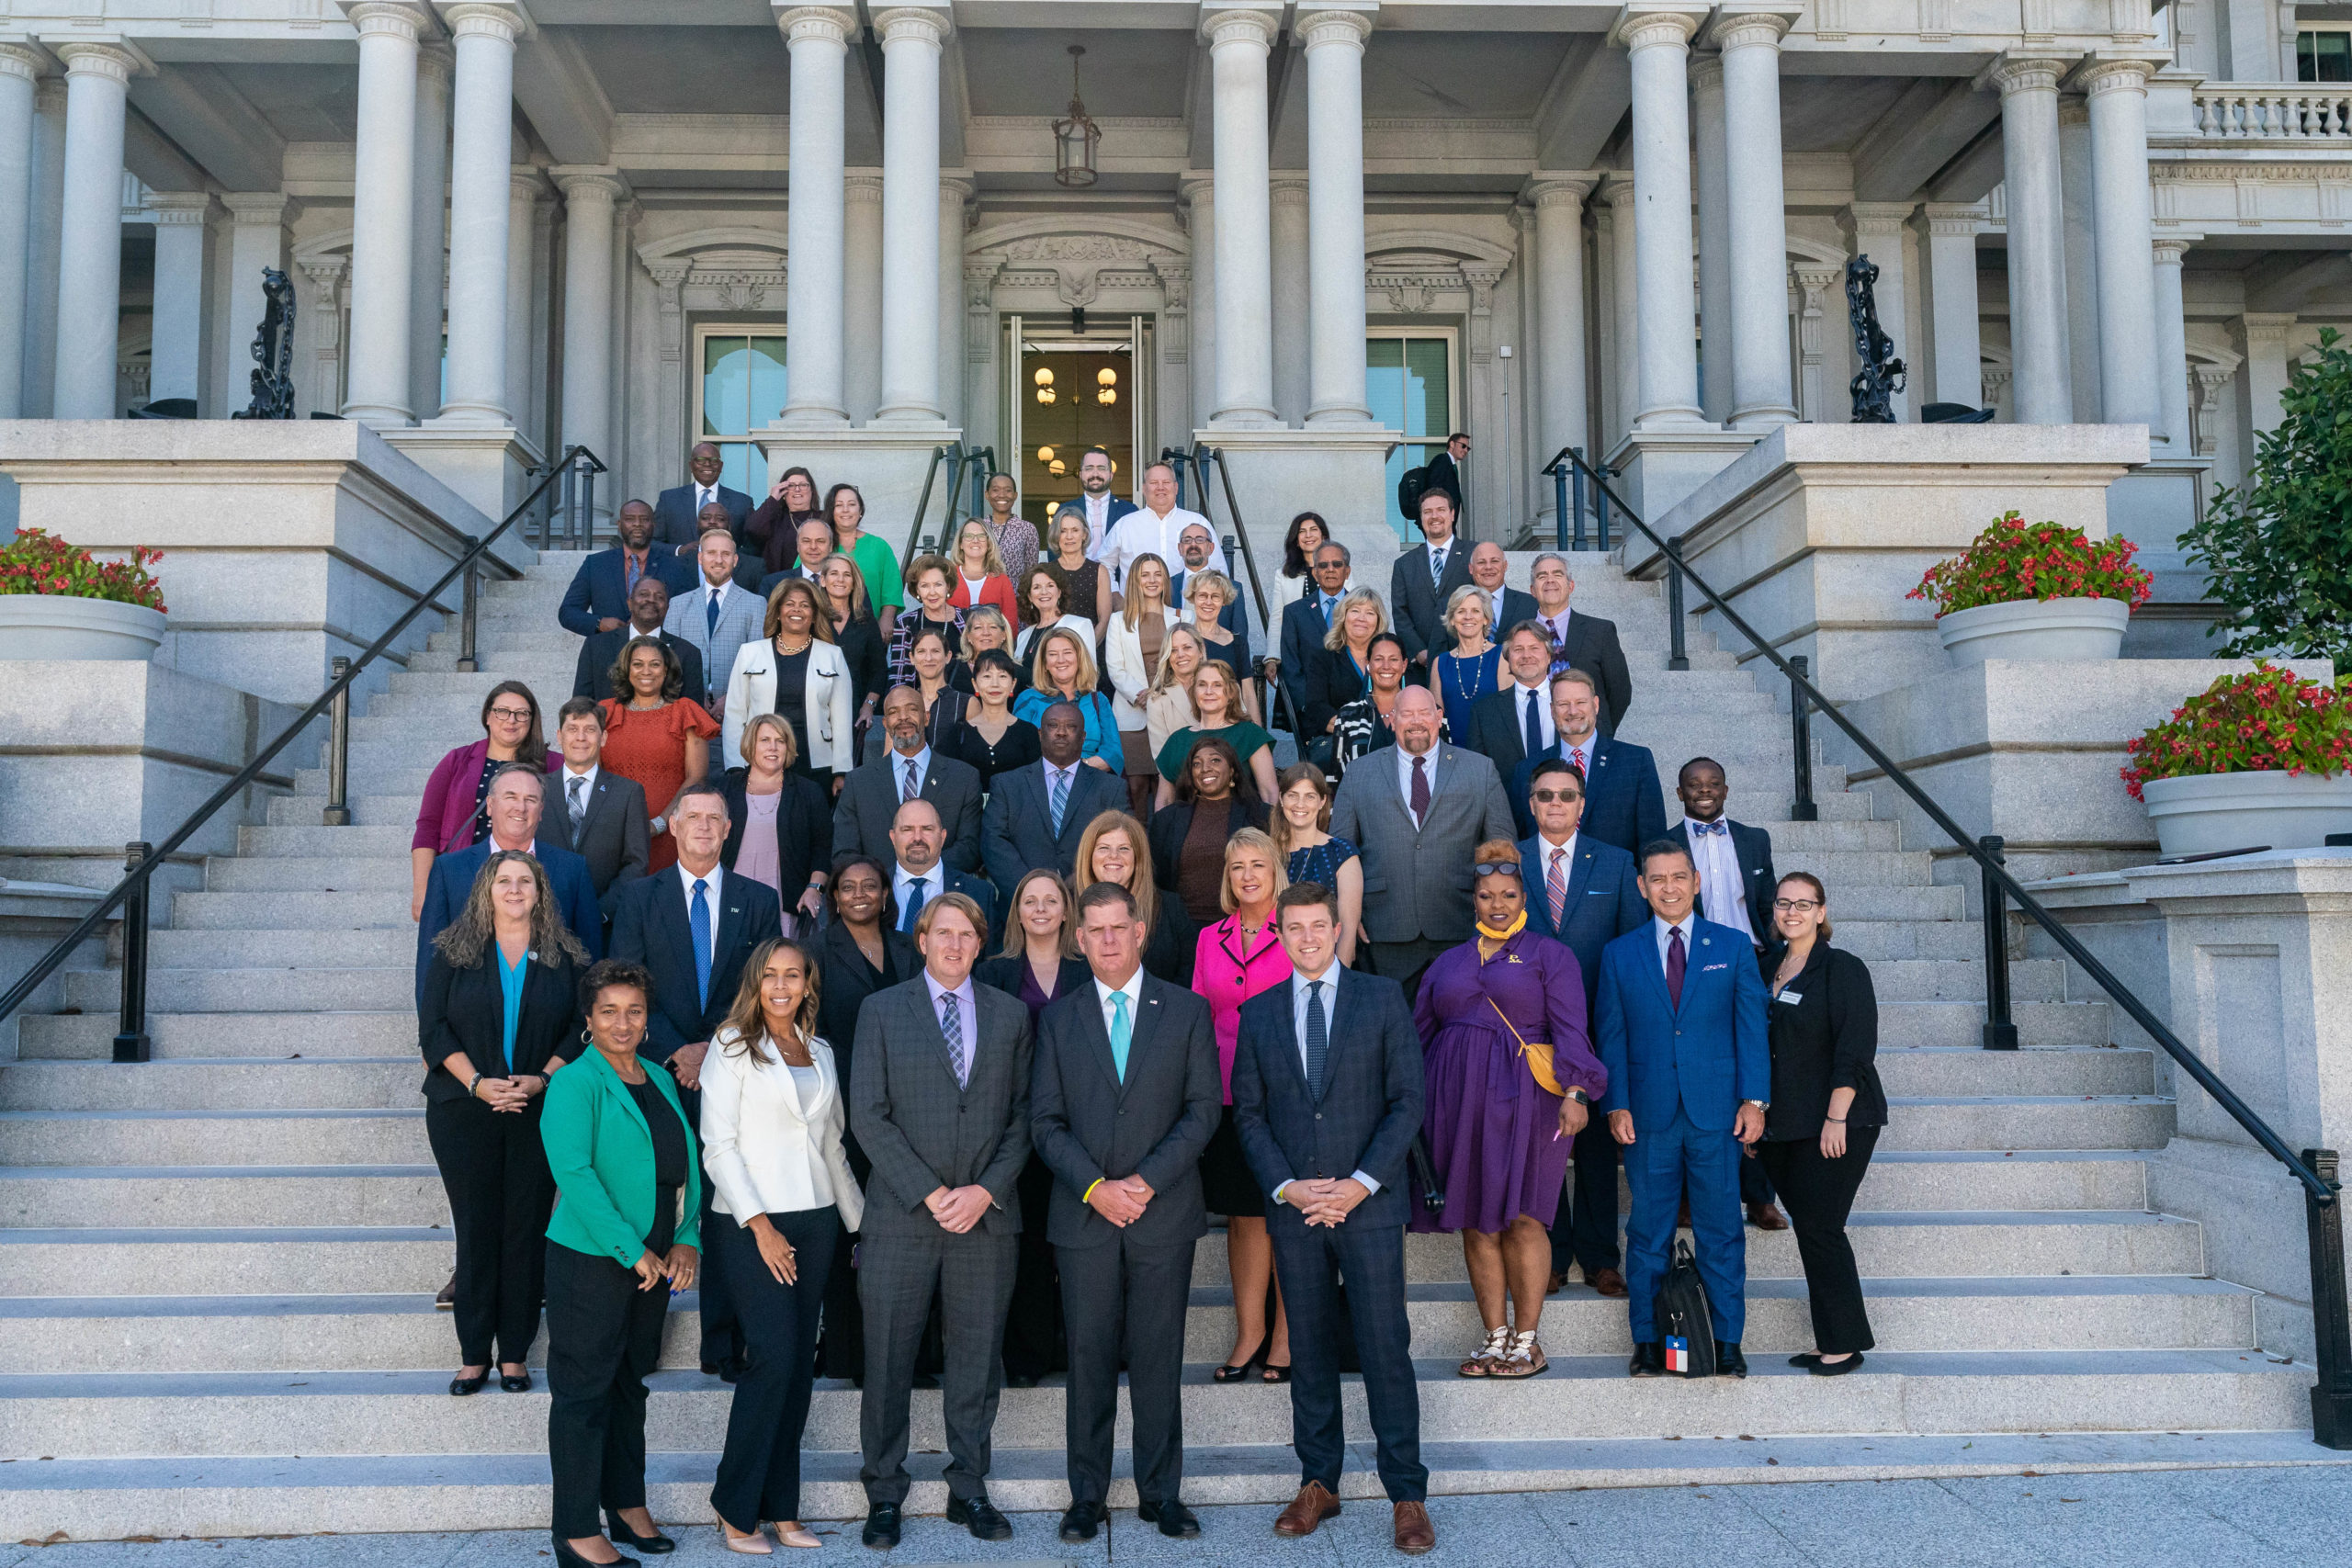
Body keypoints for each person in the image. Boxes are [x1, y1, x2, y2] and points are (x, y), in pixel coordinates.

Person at [1228, 883, 1433, 1555]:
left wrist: (1360, 1183)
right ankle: (1320, 1480)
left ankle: (1406, 1492)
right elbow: (1250, 1114)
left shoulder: (1380, 998)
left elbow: (1407, 1100)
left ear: (1337, 926)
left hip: (1367, 1206)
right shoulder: (1258, 1013)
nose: (1308, 937)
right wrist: (1288, 1187)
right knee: (1309, 1350)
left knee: (1383, 1348)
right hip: (1296, 1209)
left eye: (1319, 925)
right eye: (1295, 927)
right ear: (1278, 934)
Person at [1033, 880, 1222, 1542]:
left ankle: (1160, 1493)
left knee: (1158, 1355)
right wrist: (1095, 1187)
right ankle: (1086, 1495)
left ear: (1139, 930)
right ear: (1078, 939)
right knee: (1087, 1355)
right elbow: (1046, 1122)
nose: (1109, 940)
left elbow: (1202, 1111)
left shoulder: (1188, 1010)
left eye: (1120, 927)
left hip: (1162, 1212)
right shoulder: (1058, 1018)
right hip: (1084, 1216)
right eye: (1096, 930)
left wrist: (1143, 1181)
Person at [848, 892, 1034, 1550]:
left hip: (985, 1218)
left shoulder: (1011, 1016)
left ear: (981, 944)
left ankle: (970, 1486)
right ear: (921, 939)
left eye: (967, 935)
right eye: (942, 932)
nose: (954, 945)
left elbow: (1024, 1118)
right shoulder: (881, 1010)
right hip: (902, 1216)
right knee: (889, 1356)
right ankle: (884, 1491)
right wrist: (931, 1191)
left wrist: (984, 1190)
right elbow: (868, 1115)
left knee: (977, 1360)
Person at [607, 781, 786, 1376]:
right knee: (654, 1205)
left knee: (729, 1208)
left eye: (715, 818)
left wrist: (715, 1048)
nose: (705, 826)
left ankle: (724, 1345)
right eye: (694, 817)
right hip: (656, 1072)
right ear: (675, 826)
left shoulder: (757, 899)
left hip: (732, 1074)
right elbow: (626, 984)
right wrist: (678, 1050)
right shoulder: (639, 897)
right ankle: (641, 1341)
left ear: (729, 829)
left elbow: (765, 989)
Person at [1409, 841, 1604, 1379]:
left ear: (1525, 898)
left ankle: (1527, 1341)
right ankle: (1493, 1338)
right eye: (1487, 895)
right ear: (1473, 900)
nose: (1498, 903)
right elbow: (1418, 1038)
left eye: (1509, 894)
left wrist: (1578, 1092)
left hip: (1532, 1101)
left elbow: (1572, 1031)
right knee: (1475, 1219)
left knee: (1525, 1215)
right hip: (1455, 1103)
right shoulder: (1448, 962)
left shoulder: (1550, 955)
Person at [700, 937, 865, 1552]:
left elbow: (832, 1145)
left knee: (797, 1367)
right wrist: (761, 1225)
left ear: (805, 983)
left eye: (792, 974)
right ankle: (734, 1504)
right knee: (771, 1354)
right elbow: (717, 1146)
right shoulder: (730, 1045)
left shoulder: (819, 1049)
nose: (780, 984)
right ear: (755, 980)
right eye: (770, 974)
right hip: (749, 1223)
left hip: (817, 1218)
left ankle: (783, 1507)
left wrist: (860, 1224)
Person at [540, 958, 701, 1568]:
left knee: (630, 1382)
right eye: (609, 1010)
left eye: (634, 1010)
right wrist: (634, 1251)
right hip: (593, 1260)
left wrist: (687, 1238)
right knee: (583, 1393)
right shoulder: (574, 1083)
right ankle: (577, 1530)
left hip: (657, 1260)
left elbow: (688, 1165)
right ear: (588, 1018)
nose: (623, 1022)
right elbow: (574, 1175)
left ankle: (626, 1503)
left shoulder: (658, 1078)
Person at [1596, 839, 1770, 1380]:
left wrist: (1754, 1100)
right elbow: (1612, 1033)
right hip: (1648, 1115)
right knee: (1648, 1232)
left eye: (1679, 877)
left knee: (1722, 1230)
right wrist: (1615, 1104)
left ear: (1696, 882)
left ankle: (1726, 1341)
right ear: (1643, 887)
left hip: (1717, 1112)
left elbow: (1751, 1029)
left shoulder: (1735, 946)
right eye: (1657, 879)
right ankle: (1648, 1342)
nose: (1668, 888)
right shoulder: (1619, 953)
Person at [419, 851, 585, 1396]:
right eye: (504, 881)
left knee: (526, 1229)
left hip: (539, 1108)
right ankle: (473, 1355)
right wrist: (476, 1083)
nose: (514, 890)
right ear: (486, 890)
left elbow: (579, 1032)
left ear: (541, 892)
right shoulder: (452, 950)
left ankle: (513, 1354)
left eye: (525, 881)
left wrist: (541, 1079)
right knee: (476, 1227)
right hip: (464, 1108)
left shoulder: (566, 956)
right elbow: (434, 1030)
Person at [1516, 758, 1647, 1299]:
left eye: (1566, 796)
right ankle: (1551, 1253)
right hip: (1527, 1033)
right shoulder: (1509, 862)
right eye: (1545, 796)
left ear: (1581, 804)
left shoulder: (1616, 864)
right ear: (1531, 803)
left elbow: (1631, 952)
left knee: (1593, 1142)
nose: (1555, 805)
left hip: (1596, 1026)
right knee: (1541, 1145)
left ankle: (1600, 1257)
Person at [1758, 872, 1885, 1376]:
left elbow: (1855, 1050)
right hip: (1782, 1123)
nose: (1792, 912)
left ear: (1822, 912)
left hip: (1838, 1121)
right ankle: (1830, 1334)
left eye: (1803, 904)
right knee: (1812, 1229)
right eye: (1784, 903)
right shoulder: (1765, 964)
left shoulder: (1843, 970)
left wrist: (1837, 1117)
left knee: (1821, 1227)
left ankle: (1845, 1342)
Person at [975, 868, 1090, 1388]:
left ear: (1067, 910)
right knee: (1028, 1247)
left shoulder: (1089, 971)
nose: (1040, 909)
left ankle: (1081, 1347)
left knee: (1077, 1244)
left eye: (1050, 900)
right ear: (1016, 912)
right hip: (1014, 1127)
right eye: (1029, 901)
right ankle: (1027, 1356)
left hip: (1078, 1128)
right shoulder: (995, 973)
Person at [1191, 829, 1295, 1385]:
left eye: (1258, 864)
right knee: (1242, 1218)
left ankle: (1284, 1335)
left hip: (1288, 1096)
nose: (1248, 875)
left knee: (1282, 1214)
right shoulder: (1211, 936)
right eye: (1237, 867)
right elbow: (1199, 1019)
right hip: (1229, 1094)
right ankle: (1249, 1331)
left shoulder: (1299, 926)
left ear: (1275, 869)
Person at [1667, 754, 1789, 1227]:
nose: (1704, 790)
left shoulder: (1755, 839)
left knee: (1753, 1075)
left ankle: (1758, 1194)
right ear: (1679, 793)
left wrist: (1779, 955)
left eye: (1712, 783)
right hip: (1688, 965)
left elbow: (1768, 903)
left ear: (1725, 789)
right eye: (1694, 784)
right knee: (1687, 1073)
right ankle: (1685, 1195)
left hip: (1751, 965)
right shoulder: (1665, 843)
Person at [1329, 685, 1516, 994]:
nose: (1416, 721)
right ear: (1391, 719)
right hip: (1383, 929)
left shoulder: (1479, 769)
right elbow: (1340, 851)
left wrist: (1495, 913)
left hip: (1460, 925)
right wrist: (1344, 913)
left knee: (1458, 1031)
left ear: (1439, 716)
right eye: (1406, 714)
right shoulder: (1360, 772)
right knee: (1393, 1033)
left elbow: (1502, 851)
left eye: (1424, 712)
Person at [812, 856, 915, 1382]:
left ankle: (914, 1357)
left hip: (911, 1111)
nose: (858, 894)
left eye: (868, 886)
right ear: (833, 897)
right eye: (847, 887)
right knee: (850, 1232)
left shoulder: (906, 947)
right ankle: (849, 1353)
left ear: (884, 893)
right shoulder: (817, 953)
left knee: (907, 1231)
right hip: (845, 1110)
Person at [415, 763, 603, 1001]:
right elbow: (429, 961)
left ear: (541, 809)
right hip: (467, 1023)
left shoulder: (573, 869)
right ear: (491, 806)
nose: (521, 807)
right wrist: (432, 1033)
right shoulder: (449, 869)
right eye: (511, 797)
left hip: (551, 1025)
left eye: (531, 799)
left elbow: (589, 957)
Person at [412, 681, 555, 920]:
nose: (511, 720)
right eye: (502, 711)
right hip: (465, 879)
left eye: (521, 714)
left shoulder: (552, 765)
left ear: (532, 721)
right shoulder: (457, 761)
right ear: (488, 716)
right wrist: (422, 890)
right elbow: (428, 826)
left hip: (528, 886)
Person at [980, 701, 1128, 905]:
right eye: (1053, 726)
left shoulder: (1111, 788)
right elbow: (993, 843)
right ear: (1040, 734)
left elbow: (1123, 843)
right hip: (1021, 905)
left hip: (1088, 903)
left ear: (1083, 737)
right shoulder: (1007, 784)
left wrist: (1079, 884)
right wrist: (1031, 890)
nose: (1061, 732)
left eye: (1070, 726)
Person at [597, 635, 719, 874]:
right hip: (612, 832)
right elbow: (593, 774)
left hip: (671, 832)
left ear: (666, 670)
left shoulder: (685, 711)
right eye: (638, 664)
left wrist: (660, 823)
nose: (647, 671)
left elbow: (697, 778)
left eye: (655, 664)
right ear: (626, 669)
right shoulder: (605, 711)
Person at [832, 684, 985, 873]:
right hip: (882, 894)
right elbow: (845, 852)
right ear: (885, 724)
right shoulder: (858, 782)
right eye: (894, 712)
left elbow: (969, 849)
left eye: (912, 709)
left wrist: (923, 870)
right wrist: (884, 881)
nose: (903, 717)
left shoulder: (963, 777)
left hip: (942, 894)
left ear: (926, 717)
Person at [721, 578, 855, 789]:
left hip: (816, 764)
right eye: (790, 604)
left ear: (814, 615)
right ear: (777, 612)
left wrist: (842, 771)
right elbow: (734, 713)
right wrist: (736, 766)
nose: (797, 610)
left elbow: (842, 718)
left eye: (805, 605)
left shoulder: (833, 655)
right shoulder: (750, 653)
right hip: (759, 760)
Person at [1510, 669, 1665, 850]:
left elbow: (1654, 841)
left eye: (1581, 702)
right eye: (1563, 704)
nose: (1573, 711)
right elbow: (1521, 840)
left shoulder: (1636, 762)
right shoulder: (1526, 770)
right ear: (1552, 710)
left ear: (1596, 705)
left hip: (1615, 877)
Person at [719, 713, 834, 934]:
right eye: (765, 740)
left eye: (780, 741)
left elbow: (823, 848)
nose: (773, 747)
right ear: (750, 744)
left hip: (786, 898)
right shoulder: (724, 790)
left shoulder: (809, 792)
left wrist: (814, 888)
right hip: (731, 897)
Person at [540, 698, 650, 927]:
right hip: (541, 920)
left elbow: (636, 863)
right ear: (560, 736)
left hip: (603, 924)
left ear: (603, 738)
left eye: (590, 730)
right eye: (573, 729)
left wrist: (600, 912)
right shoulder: (536, 789)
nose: (581, 737)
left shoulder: (628, 793)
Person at [1148, 736, 1272, 929]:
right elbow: (1156, 879)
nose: (1205, 768)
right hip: (1180, 927)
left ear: (1232, 770)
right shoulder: (1167, 820)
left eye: (1215, 760)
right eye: (1197, 764)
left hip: (1239, 926)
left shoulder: (1260, 816)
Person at [663, 526, 765, 741]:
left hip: (738, 713)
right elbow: (669, 660)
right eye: (711, 553)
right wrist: (691, 698)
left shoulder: (755, 603)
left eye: (725, 554)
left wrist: (730, 698)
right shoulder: (678, 603)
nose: (718, 560)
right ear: (700, 558)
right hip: (686, 711)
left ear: (735, 560)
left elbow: (757, 661)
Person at [1075, 810, 1195, 987]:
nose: (1113, 856)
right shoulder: (1069, 910)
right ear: (1089, 856)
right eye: (1103, 848)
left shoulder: (1170, 908)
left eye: (1124, 848)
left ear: (1138, 857)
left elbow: (1189, 974)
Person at [1103, 550, 1178, 817]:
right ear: (1135, 580)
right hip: (1131, 712)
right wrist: (1142, 695)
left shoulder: (1182, 618)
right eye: (1145, 574)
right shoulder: (1117, 621)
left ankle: (1162, 846)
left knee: (1165, 784)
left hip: (1172, 711)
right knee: (1134, 787)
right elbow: (1115, 668)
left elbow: (1186, 666)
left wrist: (1163, 697)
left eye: (1158, 574)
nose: (1152, 580)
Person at [1529, 552, 1633, 735]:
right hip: (1536, 736)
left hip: (1589, 737)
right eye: (1542, 576)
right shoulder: (1518, 635)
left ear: (1571, 586)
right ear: (1532, 590)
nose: (1550, 580)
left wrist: (1598, 730)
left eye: (1558, 574)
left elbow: (1620, 692)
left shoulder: (1601, 631)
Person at [558, 498, 693, 637]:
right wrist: (599, 623)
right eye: (629, 519)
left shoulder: (675, 566)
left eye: (644, 519)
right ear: (619, 525)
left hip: (658, 650)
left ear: (654, 525)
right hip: (607, 651)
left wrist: (650, 625)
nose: (637, 524)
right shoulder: (595, 564)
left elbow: (688, 614)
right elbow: (568, 612)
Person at [1272, 761, 1362, 967]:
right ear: (1281, 799)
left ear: (1322, 801)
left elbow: (1347, 933)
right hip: (1273, 966)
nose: (1300, 804)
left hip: (1326, 966)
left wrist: (1336, 987)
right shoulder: (1268, 853)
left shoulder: (1341, 852)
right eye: (1293, 795)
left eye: (1310, 796)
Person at [572, 572, 707, 706]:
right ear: (629, 603)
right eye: (644, 594)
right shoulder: (596, 646)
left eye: (659, 597)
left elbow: (693, 712)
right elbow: (581, 704)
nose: (651, 600)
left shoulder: (688, 653)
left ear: (667, 608)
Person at [1156, 659, 1277, 806]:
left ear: (1232, 692)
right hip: (1186, 825)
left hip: (1240, 824)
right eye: (1202, 685)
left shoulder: (1251, 734)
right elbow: (1164, 800)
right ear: (1194, 691)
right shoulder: (1177, 740)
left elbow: (1269, 794)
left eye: (1217, 685)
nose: (1208, 691)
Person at [1099, 460, 1226, 592]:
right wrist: (1114, 595)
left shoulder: (1198, 523)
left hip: (1187, 607)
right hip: (1138, 609)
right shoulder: (1125, 525)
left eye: (1166, 482)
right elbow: (1103, 565)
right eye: (1154, 483)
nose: (1160, 487)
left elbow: (1219, 571)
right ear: (1144, 489)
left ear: (1176, 488)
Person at [888, 796, 999, 942]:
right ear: (893, 837)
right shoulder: (872, 889)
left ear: (942, 837)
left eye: (927, 829)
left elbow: (989, 960)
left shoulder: (980, 894)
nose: (917, 838)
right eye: (907, 829)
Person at [1390, 486, 1473, 681]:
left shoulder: (1473, 554)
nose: (1434, 516)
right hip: (1421, 668)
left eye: (1441, 510)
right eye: (1427, 512)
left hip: (1467, 659)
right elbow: (1400, 614)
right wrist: (1418, 650)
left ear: (1452, 514)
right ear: (1421, 518)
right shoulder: (1404, 564)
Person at [1466, 622, 1566, 781]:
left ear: (1548, 656)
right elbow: (1477, 773)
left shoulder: (1573, 703)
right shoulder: (1484, 712)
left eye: (1534, 648)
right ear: (1508, 658)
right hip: (1505, 803)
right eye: (1518, 649)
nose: (1526, 656)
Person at [1013, 626, 1121, 772]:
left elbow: (1113, 753)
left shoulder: (1098, 700)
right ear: (1045, 663)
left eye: (1067, 652)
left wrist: (1077, 769)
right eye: (1053, 654)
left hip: (1090, 780)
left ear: (1079, 658)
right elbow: (1018, 750)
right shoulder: (1029, 699)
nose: (1061, 660)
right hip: (1041, 782)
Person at [1274, 540, 1352, 727]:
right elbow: (1291, 669)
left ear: (1347, 571)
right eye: (1323, 565)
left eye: (1337, 564)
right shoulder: (1295, 612)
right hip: (1312, 715)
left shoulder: (1363, 609)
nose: (1330, 569)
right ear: (1315, 573)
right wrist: (1314, 712)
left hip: (1356, 710)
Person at [1302, 586, 1386, 751]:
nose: (1361, 618)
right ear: (1344, 616)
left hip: (1386, 742)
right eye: (1355, 611)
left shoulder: (1389, 658)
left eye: (1370, 613)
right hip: (1341, 743)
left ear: (1378, 621)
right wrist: (1354, 731)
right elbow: (1316, 705)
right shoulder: (1324, 658)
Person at [819, 555, 888, 756]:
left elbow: (879, 669)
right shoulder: (811, 617)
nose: (840, 579)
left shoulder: (865, 620)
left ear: (854, 583)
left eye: (846, 575)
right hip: (815, 706)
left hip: (852, 707)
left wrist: (868, 706)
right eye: (834, 573)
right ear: (823, 580)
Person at [946, 649, 1040, 788]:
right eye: (987, 676)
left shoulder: (1028, 732)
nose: (995, 684)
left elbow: (1036, 783)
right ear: (975, 684)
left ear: (1013, 684)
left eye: (1002, 676)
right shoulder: (959, 732)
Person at [826, 482, 903, 640]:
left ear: (860, 510)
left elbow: (892, 588)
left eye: (852, 504)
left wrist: (887, 619)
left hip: (870, 631)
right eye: (839, 505)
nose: (846, 510)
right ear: (831, 511)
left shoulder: (879, 547)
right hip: (826, 630)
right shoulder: (820, 544)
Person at [1182, 568, 1258, 721]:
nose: (1208, 602)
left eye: (1215, 596)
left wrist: (1257, 736)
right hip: (1190, 722)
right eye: (1202, 596)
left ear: (1224, 601)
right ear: (1193, 598)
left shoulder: (1237, 642)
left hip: (1231, 722)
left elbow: (1248, 692)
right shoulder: (1182, 640)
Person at [1332, 632, 1411, 773]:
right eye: (1379, 659)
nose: (1386, 666)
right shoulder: (1349, 715)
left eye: (1393, 659)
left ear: (1404, 665)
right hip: (1360, 794)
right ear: (1368, 664)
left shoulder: (1425, 712)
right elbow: (1338, 774)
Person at [1432, 585, 1502, 745]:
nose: (1468, 617)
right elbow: (1437, 720)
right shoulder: (1440, 663)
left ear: (1485, 618)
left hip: (1493, 750)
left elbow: (1509, 713)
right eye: (1461, 611)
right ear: (1452, 619)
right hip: (1452, 752)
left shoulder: (1501, 656)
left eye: (1476, 611)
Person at [653, 440, 754, 547]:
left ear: (721, 466)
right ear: (691, 465)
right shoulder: (669, 500)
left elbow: (752, 546)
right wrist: (680, 550)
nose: (707, 464)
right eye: (700, 460)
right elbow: (654, 542)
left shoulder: (742, 502)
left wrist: (732, 558)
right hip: (681, 563)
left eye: (714, 460)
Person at [885, 554, 964, 690]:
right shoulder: (905, 623)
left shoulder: (966, 620)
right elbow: (897, 676)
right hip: (917, 702)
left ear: (948, 587)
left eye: (938, 585)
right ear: (917, 590)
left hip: (962, 702)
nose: (932, 592)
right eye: (925, 586)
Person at [1042, 504, 1112, 639]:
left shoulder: (1099, 571)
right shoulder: (1046, 572)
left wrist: (1086, 649)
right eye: (1063, 531)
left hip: (1092, 648)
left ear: (1084, 534)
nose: (1069, 536)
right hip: (1054, 650)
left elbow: (1104, 620)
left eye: (1075, 530)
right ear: (1056, 535)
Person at [1012, 560, 1091, 675]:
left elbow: (1088, 671)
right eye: (1036, 587)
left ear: (1059, 592)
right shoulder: (1023, 636)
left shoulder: (1079, 625)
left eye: (1050, 585)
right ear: (1029, 596)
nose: (1044, 592)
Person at [1143, 623, 1208, 759]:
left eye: (1187, 647)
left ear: (1201, 650)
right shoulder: (1157, 699)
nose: (1180, 655)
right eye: (1173, 650)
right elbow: (1162, 757)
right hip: (1182, 775)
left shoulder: (1224, 686)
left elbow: (1240, 734)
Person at [745, 464, 823, 575]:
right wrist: (772, 499)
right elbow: (752, 529)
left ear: (812, 491)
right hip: (780, 585)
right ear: (783, 492)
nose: (797, 489)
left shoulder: (824, 518)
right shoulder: (775, 518)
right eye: (791, 486)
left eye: (803, 485)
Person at [906, 626, 971, 750]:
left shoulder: (967, 703)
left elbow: (974, 755)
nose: (928, 658)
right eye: (921, 652)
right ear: (912, 658)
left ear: (948, 656)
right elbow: (890, 757)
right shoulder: (903, 703)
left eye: (935, 651)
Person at [947, 517, 1019, 623]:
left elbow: (1010, 623)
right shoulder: (948, 577)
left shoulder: (1002, 580)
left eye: (981, 536)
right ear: (960, 544)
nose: (975, 541)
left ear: (988, 543)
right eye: (969, 536)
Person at [1069, 446, 1136, 557]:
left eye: (1101, 468)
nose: (1095, 474)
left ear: (1111, 475)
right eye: (1089, 468)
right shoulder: (1066, 510)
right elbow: (1055, 552)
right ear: (1081, 475)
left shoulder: (1129, 511)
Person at [975, 471, 1039, 586]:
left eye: (1008, 490)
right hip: (981, 595)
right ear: (987, 494)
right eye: (995, 490)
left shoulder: (1027, 529)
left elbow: (1031, 572)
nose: (1002, 495)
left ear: (1015, 495)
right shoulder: (978, 528)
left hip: (1016, 596)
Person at [1465, 541, 1537, 640]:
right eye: (1481, 562)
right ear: (1471, 568)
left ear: (1505, 566)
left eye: (1494, 561)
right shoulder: (1450, 607)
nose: (1488, 567)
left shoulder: (1530, 604)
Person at [756, 514, 839, 598]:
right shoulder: (773, 583)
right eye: (806, 541)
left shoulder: (842, 583)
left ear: (831, 546)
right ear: (798, 546)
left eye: (820, 541)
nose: (813, 547)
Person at [1279, 510, 1333, 602]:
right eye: (1302, 531)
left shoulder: (1340, 569)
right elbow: (1278, 614)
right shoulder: (1282, 575)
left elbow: (1352, 606)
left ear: (1323, 537)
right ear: (1297, 541)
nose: (1308, 535)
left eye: (1313, 529)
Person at [1422, 430, 1469, 512]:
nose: (1466, 450)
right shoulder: (1442, 460)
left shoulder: (1450, 464)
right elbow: (1433, 489)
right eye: (1463, 446)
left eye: (1468, 448)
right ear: (1452, 444)